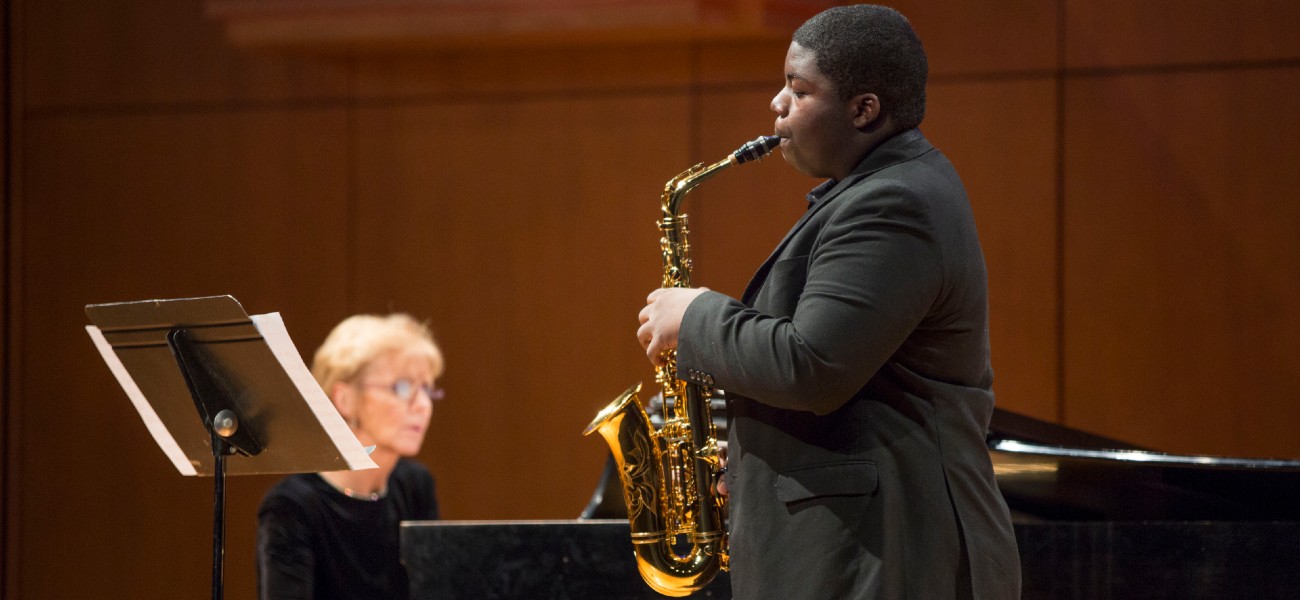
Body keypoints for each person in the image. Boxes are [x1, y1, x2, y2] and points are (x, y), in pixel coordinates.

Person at [637, 5, 1021, 599]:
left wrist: (695, 316)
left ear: (864, 109)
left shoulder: (895, 204)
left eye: (799, 89)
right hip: (857, 552)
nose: (777, 105)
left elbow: (812, 365)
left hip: (888, 558)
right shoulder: (878, 192)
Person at [256, 313, 444, 600]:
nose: (422, 405)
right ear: (343, 399)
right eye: (403, 387)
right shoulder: (292, 507)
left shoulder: (415, 486)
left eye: (427, 388)